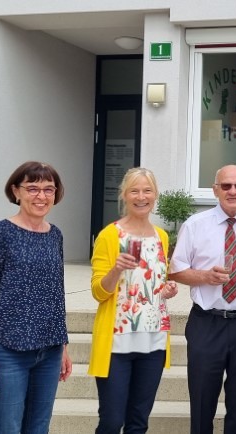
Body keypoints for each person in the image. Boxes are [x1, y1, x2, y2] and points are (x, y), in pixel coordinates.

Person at [168, 164, 236, 434]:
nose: (233, 191)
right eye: (226, 185)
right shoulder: (195, 226)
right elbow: (175, 271)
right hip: (207, 322)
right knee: (202, 401)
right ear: (215, 189)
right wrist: (204, 276)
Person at [0, 160, 73, 434]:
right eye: (33, 188)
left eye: (48, 189)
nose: (41, 196)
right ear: (16, 191)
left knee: (38, 429)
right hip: (8, 351)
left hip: (49, 351)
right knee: (7, 428)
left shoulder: (55, 235)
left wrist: (63, 345)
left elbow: (56, 294)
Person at [89, 167, 180, 434]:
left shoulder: (161, 236)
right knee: (111, 421)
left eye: (147, 191)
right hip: (116, 344)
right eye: (134, 191)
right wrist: (116, 269)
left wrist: (167, 289)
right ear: (124, 195)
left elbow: (152, 284)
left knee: (139, 423)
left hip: (153, 342)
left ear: (155, 195)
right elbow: (98, 292)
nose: (141, 197)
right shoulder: (109, 236)